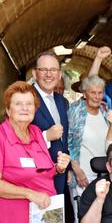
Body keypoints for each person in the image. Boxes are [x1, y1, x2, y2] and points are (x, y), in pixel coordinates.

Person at [0, 81, 71, 223]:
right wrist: (30, 194)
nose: (24, 108)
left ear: (35, 109)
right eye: (18, 104)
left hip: (48, 219)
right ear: (8, 109)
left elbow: (40, 172)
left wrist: (58, 168)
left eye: (29, 104)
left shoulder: (36, 132)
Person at [68, 75, 112, 194]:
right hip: (83, 175)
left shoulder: (105, 109)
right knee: (83, 212)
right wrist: (76, 170)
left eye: (100, 93)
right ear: (85, 93)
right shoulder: (75, 110)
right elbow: (68, 142)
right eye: (93, 93)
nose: (97, 97)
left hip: (106, 174)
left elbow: (111, 141)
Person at [31, 51, 70, 194]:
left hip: (60, 174)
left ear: (59, 75)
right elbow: (15, 137)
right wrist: (45, 136)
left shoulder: (61, 101)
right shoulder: (26, 98)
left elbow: (64, 141)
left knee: (55, 217)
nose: (49, 74)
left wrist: (68, 168)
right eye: (44, 70)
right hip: (35, 177)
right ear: (35, 73)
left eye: (53, 70)